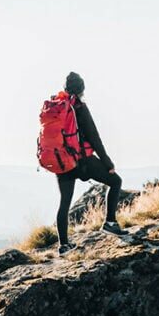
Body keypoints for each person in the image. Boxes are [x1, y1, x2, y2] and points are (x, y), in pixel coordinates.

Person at [56, 72, 125, 254]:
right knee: (116, 182)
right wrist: (107, 162)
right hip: (83, 160)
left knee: (65, 202)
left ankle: (64, 245)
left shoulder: (57, 109)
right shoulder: (79, 108)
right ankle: (110, 223)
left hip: (63, 162)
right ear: (82, 90)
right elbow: (95, 138)